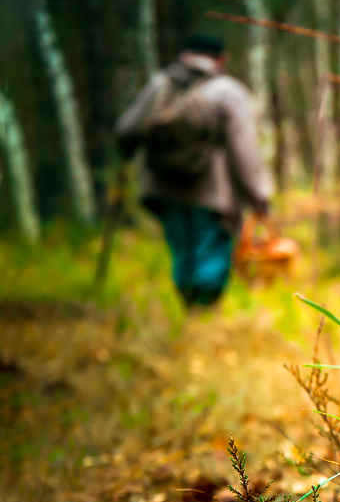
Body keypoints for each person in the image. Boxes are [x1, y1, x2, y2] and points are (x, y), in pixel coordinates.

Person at [116, 33, 272, 306]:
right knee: (210, 251)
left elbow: (127, 130)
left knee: (182, 251)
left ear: (185, 55)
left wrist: (127, 153)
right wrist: (259, 197)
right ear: (221, 59)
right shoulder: (227, 91)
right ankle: (204, 312)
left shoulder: (160, 85)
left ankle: (188, 309)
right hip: (211, 191)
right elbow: (244, 149)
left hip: (163, 188)